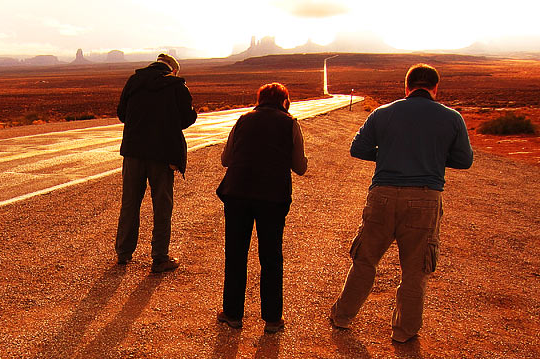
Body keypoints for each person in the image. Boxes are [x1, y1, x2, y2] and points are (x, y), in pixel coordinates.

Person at [329, 63, 473, 342]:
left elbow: (357, 149)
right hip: (425, 197)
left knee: (365, 260)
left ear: (406, 87)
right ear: (435, 88)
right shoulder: (452, 117)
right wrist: (434, 159)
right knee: (415, 269)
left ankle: (343, 316)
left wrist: (387, 157)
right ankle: (404, 332)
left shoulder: (382, 113)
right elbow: (464, 160)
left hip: (382, 195)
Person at [216, 82, 308, 333]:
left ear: (260, 99)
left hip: (237, 194)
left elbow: (226, 159)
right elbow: (300, 167)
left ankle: (233, 314)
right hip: (272, 198)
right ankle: (272, 319)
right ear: (284, 101)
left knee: (236, 254)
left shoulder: (243, 119)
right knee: (271, 257)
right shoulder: (290, 123)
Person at [115, 53, 197, 273]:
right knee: (162, 206)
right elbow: (186, 120)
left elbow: (121, 114)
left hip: (133, 152)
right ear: (173, 70)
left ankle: (123, 253)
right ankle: (159, 257)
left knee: (130, 202)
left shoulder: (133, 81)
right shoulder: (177, 86)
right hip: (162, 154)